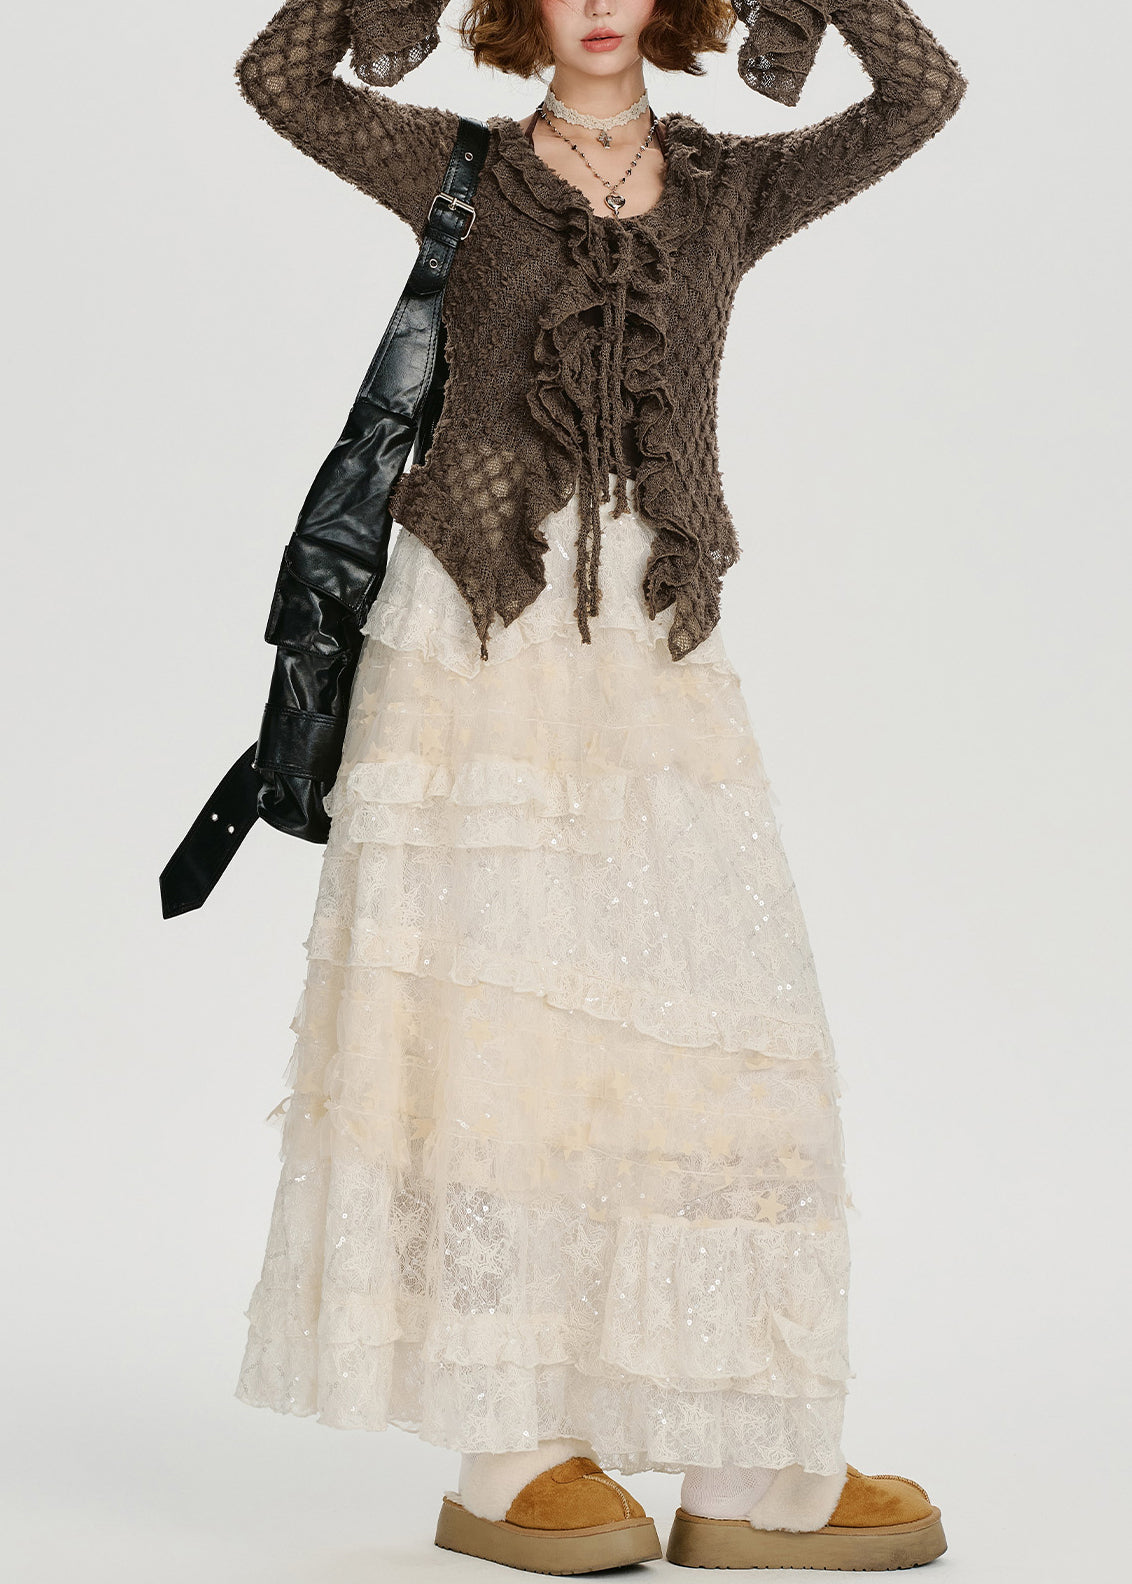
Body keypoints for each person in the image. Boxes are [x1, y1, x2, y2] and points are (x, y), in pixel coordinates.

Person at [230, 0, 966, 1571]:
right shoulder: (460, 165)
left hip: (653, 637)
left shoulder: (734, 187)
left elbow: (919, 94)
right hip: (478, 636)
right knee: (495, 1032)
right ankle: (512, 1449)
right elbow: (277, 78)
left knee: (728, 1033)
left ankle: (748, 1460)